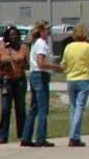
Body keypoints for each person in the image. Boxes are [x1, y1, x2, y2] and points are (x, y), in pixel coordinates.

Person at [21, 19, 62, 147]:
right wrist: (56, 67)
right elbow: (41, 63)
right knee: (43, 108)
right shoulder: (42, 44)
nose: (50, 30)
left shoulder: (36, 43)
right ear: (43, 31)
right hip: (40, 75)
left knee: (34, 107)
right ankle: (40, 138)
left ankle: (26, 137)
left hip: (34, 75)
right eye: (48, 28)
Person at [60, 23, 89, 147]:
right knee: (80, 108)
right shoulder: (88, 47)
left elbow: (63, 64)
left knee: (73, 108)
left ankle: (74, 135)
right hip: (84, 78)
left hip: (70, 79)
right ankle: (74, 137)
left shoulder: (68, 47)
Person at [0, 26, 29, 144]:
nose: (13, 37)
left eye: (15, 34)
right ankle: (2, 136)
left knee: (20, 108)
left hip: (20, 81)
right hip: (6, 81)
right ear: (7, 36)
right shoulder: (2, 49)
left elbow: (28, 64)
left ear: (19, 36)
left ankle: (24, 135)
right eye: (11, 35)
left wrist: (22, 63)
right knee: (5, 109)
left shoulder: (23, 48)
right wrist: (5, 63)